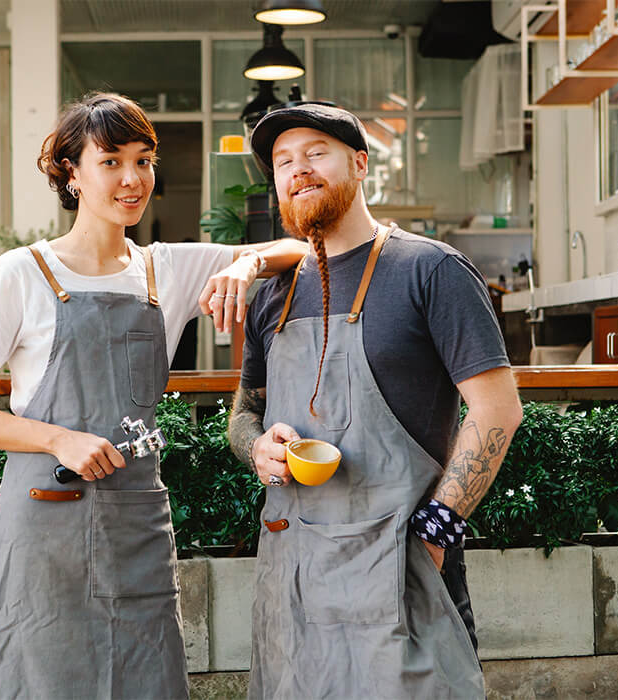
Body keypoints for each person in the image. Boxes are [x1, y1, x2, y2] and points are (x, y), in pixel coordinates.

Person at [0, 92, 306, 700]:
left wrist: (243, 267)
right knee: (36, 676)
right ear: (71, 172)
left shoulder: (166, 269)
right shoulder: (23, 272)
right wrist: (58, 437)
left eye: (144, 159)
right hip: (44, 517)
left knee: (143, 676)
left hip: (134, 518)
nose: (133, 178)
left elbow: (294, 250)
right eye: (111, 161)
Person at [228, 103, 524, 699]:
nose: (298, 170)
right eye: (283, 162)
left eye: (316, 153)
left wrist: (438, 529)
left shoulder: (430, 270)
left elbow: (498, 409)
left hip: (398, 567)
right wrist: (254, 446)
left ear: (360, 163)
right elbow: (243, 412)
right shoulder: (271, 295)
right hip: (294, 574)